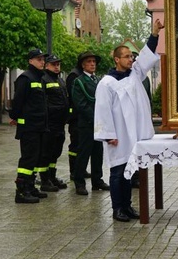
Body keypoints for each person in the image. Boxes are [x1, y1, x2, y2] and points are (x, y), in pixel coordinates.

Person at [95, 19, 164, 222]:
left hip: (136, 133)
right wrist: (108, 136)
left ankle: (128, 206)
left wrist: (154, 34)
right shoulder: (106, 83)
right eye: (126, 57)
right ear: (116, 59)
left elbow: (146, 55)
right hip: (119, 135)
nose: (131, 59)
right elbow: (102, 111)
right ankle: (118, 208)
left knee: (131, 172)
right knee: (117, 172)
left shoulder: (135, 74)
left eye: (131, 56)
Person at [8, 48, 49, 203]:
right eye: (39, 59)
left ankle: (30, 187)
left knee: (35, 158)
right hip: (29, 127)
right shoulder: (25, 78)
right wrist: (14, 116)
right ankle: (22, 191)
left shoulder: (39, 78)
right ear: (30, 61)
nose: (42, 62)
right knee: (28, 159)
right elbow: (18, 101)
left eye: (43, 59)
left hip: (39, 126)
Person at [72, 51, 109, 196]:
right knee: (83, 154)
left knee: (97, 153)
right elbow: (80, 104)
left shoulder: (98, 80)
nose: (92, 64)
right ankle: (79, 183)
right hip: (86, 124)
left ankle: (97, 180)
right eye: (89, 62)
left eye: (94, 61)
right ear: (83, 65)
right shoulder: (79, 81)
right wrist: (96, 117)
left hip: (98, 125)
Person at [41, 54, 69, 191]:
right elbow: (43, 103)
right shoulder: (43, 79)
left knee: (55, 153)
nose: (57, 66)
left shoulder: (60, 80)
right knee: (46, 153)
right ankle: (44, 180)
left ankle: (52, 177)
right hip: (50, 124)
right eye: (54, 64)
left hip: (60, 124)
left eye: (58, 64)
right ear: (47, 65)